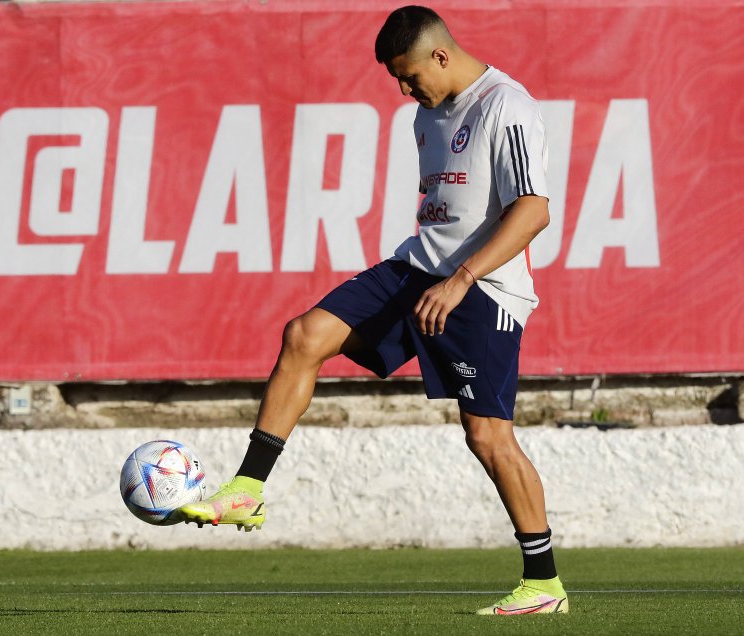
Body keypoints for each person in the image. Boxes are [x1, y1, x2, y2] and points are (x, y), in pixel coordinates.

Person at [179, 5, 568, 616]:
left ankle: (544, 582)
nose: (405, 89)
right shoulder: (426, 115)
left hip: (483, 291)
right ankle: (247, 488)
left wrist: (462, 278)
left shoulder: (507, 106)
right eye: (397, 80)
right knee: (305, 335)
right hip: (418, 269)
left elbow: (533, 211)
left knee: (487, 436)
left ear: (441, 54)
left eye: (409, 76)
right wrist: (436, 274)